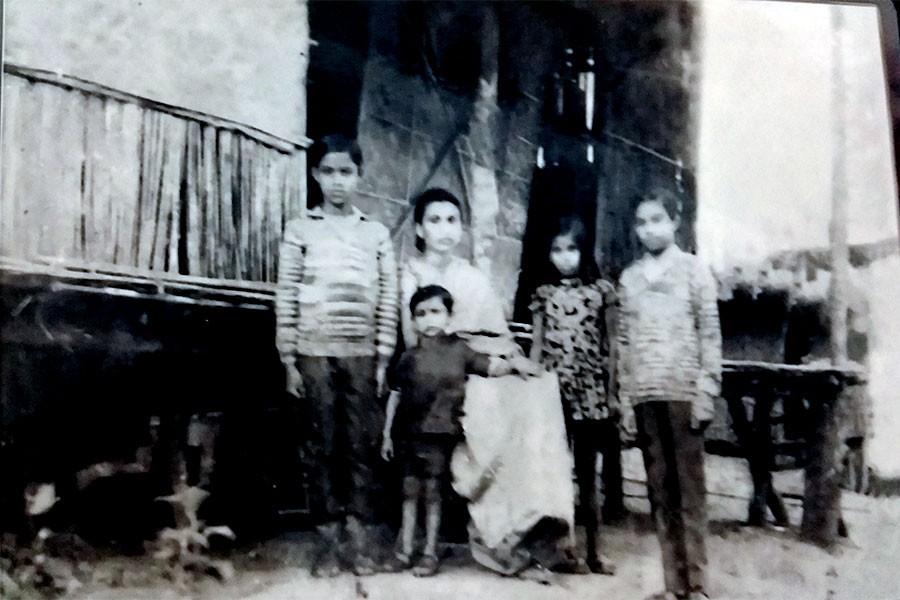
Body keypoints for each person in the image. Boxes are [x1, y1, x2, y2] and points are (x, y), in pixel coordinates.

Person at [399, 187, 576, 580]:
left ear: (461, 228)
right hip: (438, 377)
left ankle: (536, 530)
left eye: (451, 220)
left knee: (534, 395)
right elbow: (414, 345)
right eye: (434, 220)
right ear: (419, 228)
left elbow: (497, 334)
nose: (444, 229)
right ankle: (499, 538)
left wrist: (514, 362)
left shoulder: (471, 276)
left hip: (477, 360)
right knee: (487, 419)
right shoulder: (410, 274)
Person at [274, 134, 398, 577]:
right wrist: (289, 357)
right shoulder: (300, 228)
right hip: (313, 353)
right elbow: (286, 293)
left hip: (362, 355)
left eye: (346, 172)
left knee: (360, 448)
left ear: (359, 176)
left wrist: (383, 358)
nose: (337, 182)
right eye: (328, 171)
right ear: (315, 175)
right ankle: (327, 542)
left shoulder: (375, 233)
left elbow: (387, 298)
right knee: (320, 446)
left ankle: (360, 541)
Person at [381, 285, 538, 577]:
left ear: (449, 317)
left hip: (440, 435)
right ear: (413, 321)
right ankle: (403, 551)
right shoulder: (407, 357)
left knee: (433, 493)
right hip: (408, 434)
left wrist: (516, 363)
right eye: (421, 314)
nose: (429, 320)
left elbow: (490, 366)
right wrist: (388, 433)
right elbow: (395, 394)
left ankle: (429, 552)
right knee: (407, 492)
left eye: (436, 312)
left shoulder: (460, 351)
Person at [616, 188, 722, 600]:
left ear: (675, 222)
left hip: (683, 392)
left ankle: (698, 585)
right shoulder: (629, 278)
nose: (649, 230)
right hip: (645, 395)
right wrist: (626, 399)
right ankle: (673, 584)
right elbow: (624, 344)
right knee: (659, 491)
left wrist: (706, 390)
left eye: (657, 220)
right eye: (641, 223)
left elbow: (710, 334)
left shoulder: (694, 271)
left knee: (689, 492)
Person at [528, 215, 619, 575]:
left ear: (584, 251)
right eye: (557, 250)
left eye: (572, 249)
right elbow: (536, 346)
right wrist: (533, 385)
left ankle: (596, 551)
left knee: (587, 471)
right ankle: (560, 551)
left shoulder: (601, 292)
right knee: (554, 471)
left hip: (591, 391)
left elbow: (612, 348)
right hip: (553, 392)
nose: (564, 257)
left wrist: (612, 394)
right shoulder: (543, 294)